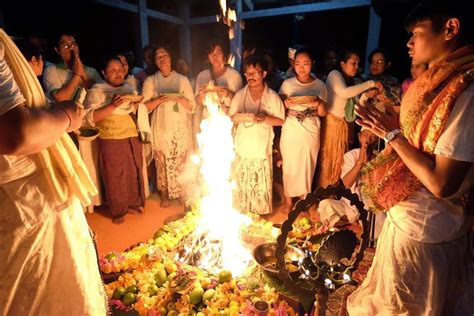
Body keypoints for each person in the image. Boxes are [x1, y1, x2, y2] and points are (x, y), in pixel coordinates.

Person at [347, 1, 474, 314]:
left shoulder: (466, 92)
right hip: (407, 219)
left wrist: (391, 135)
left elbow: (442, 184)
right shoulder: (436, 83)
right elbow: (418, 141)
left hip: (427, 232)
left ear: (450, 29)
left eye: (416, 33)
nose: (409, 42)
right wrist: (390, 124)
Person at [0, 29, 106, 315]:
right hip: (24, 213)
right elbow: (18, 132)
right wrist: (67, 115)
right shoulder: (52, 73)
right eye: (64, 44)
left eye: (73, 43)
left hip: (31, 205)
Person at [83, 56, 148, 224]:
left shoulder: (128, 89)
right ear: (103, 73)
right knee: (114, 175)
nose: (118, 73)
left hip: (131, 136)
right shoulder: (97, 91)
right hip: (111, 138)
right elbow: (90, 117)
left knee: (134, 170)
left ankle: (134, 203)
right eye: (112, 70)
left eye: (120, 70)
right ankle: (118, 210)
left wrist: (136, 103)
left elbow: (134, 111)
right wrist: (112, 106)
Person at [317, 50, 382, 188]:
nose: (357, 66)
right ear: (342, 63)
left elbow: (357, 107)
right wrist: (370, 83)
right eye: (353, 63)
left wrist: (367, 96)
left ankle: (334, 193)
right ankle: (321, 195)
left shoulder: (353, 81)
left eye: (358, 63)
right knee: (328, 161)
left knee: (339, 162)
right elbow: (344, 92)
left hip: (344, 127)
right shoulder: (335, 75)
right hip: (332, 125)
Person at [230, 55, 285, 216]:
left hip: (261, 148)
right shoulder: (240, 95)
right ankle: (243, 213)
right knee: (243, 183)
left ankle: (261, 213)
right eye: (248, 73)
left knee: (259, 184)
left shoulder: (272, 96)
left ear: (264, 74)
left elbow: (281, 120)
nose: (251, 77)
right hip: (243, 147)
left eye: (255, 73)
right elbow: (232, 117)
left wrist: (265, 118)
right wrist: (241, 117)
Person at [142, 45, 195, 207]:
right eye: (158, 56)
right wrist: (158, 100)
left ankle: (180, 192)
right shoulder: (151, 80)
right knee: (162, 160)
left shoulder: (182, 80)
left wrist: (179, 99)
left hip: (179, 126)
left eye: (165, 55)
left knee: (179, 159)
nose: (162, 59)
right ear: (155, 61)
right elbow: (143, 106)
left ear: (171, 58)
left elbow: (192, 106)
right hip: (160, 126)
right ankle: (165, 193)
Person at [279, 47, 328, 212]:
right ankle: (288, 202)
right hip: (292, 125)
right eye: (298, 63)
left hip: (311, 126)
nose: (301, 67)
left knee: (307, 162)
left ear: (312, 64)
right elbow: (279, 108)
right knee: (290, 163)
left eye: (306, 63)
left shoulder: (320, 85)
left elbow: (323, 113)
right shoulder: (287, 84)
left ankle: (304, 199)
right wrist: (286, 104)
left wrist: (318, 104)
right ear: (293, 64)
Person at [318, 129, 379, 227]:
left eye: (374, 136)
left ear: (377, 140)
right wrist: (359, 162)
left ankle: (354, 222)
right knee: (325, 205)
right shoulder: (351, 155)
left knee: (374, 227)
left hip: (371, 206)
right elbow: (347, 183)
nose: (369, 139)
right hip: (350, 204)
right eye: (366, 134)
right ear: (359, 137)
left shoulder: (380, 157)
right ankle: (352, 220)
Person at [43, 32, 102, 103]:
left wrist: (82, 73)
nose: (71, 48)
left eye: (73, 45)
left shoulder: (92, 71)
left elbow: (100, 95)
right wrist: (76, 75)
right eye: (65, 46)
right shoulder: (51, 70)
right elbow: (61, 99)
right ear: (57, 50)